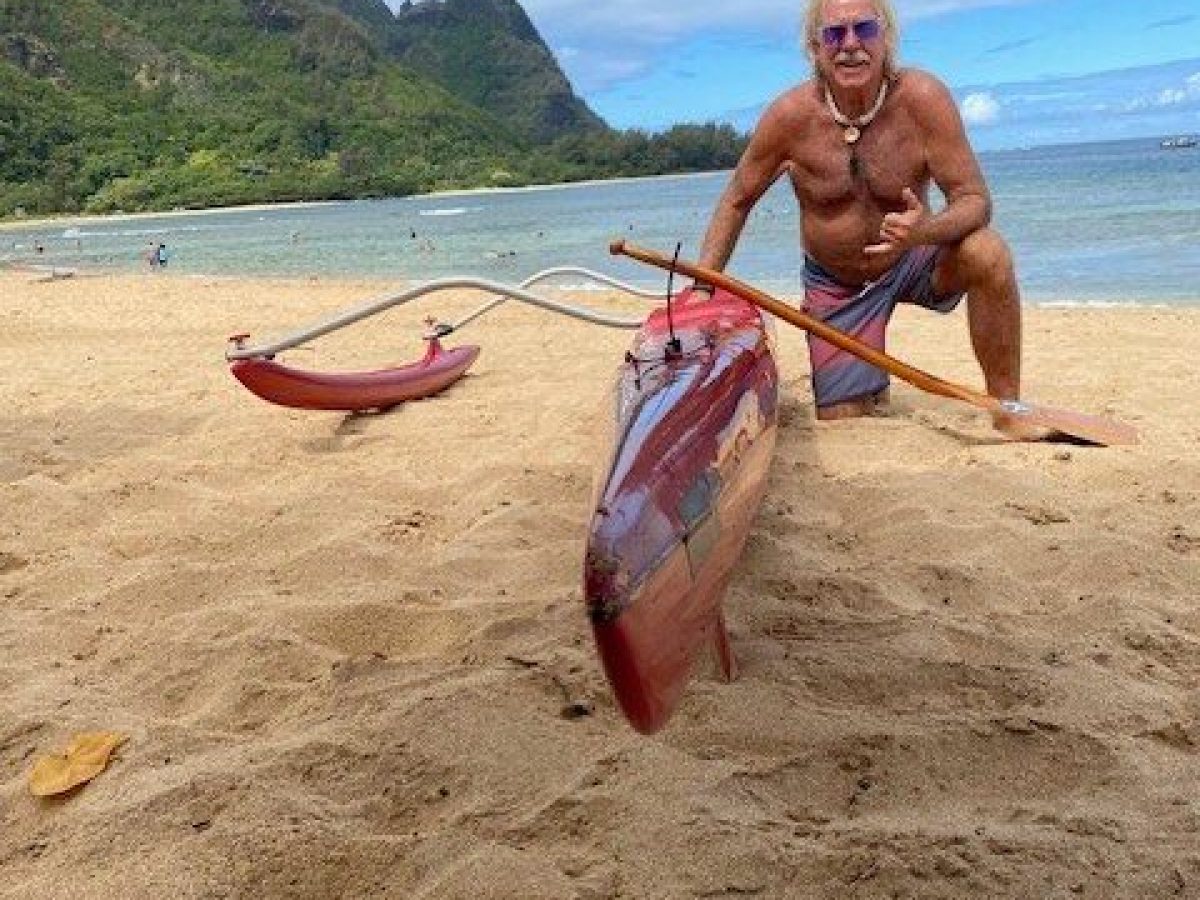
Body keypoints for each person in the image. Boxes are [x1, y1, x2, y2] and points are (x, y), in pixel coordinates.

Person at [692, 0, 1042, 439]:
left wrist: (922, 233)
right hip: (837, 285)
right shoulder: (789, 117)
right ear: (814, 47)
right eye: (835, 34)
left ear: (887, 39)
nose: (851, 46)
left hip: (915, 261)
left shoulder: (923, 99)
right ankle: (863, 378)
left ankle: (1007, 408)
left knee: (988, 251)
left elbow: (974, 200)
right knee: (846, 421)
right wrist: (702, 287)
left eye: (864, 30)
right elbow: (737, 200)